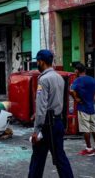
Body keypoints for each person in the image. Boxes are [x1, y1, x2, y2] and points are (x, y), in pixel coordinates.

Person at [28, 49, 74, 178]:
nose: (37, 64)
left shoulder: (43, 79)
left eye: (37, 61)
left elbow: (42, 106)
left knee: (37, 158)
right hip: (57, 122)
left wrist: (36, 130)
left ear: (41, 62)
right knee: (60, 158)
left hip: (47, 125)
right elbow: (56, 102)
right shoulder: (59, 77)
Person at [70, 62, 95, 156]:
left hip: (83, 108)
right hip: (91, 108)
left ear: (77, 71)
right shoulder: (92, 79)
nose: (75, 71)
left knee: (85, 129)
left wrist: (76, 99)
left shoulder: (78, 80)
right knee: (93, 128)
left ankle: (89, 149)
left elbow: (71, 90)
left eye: (75, 70)